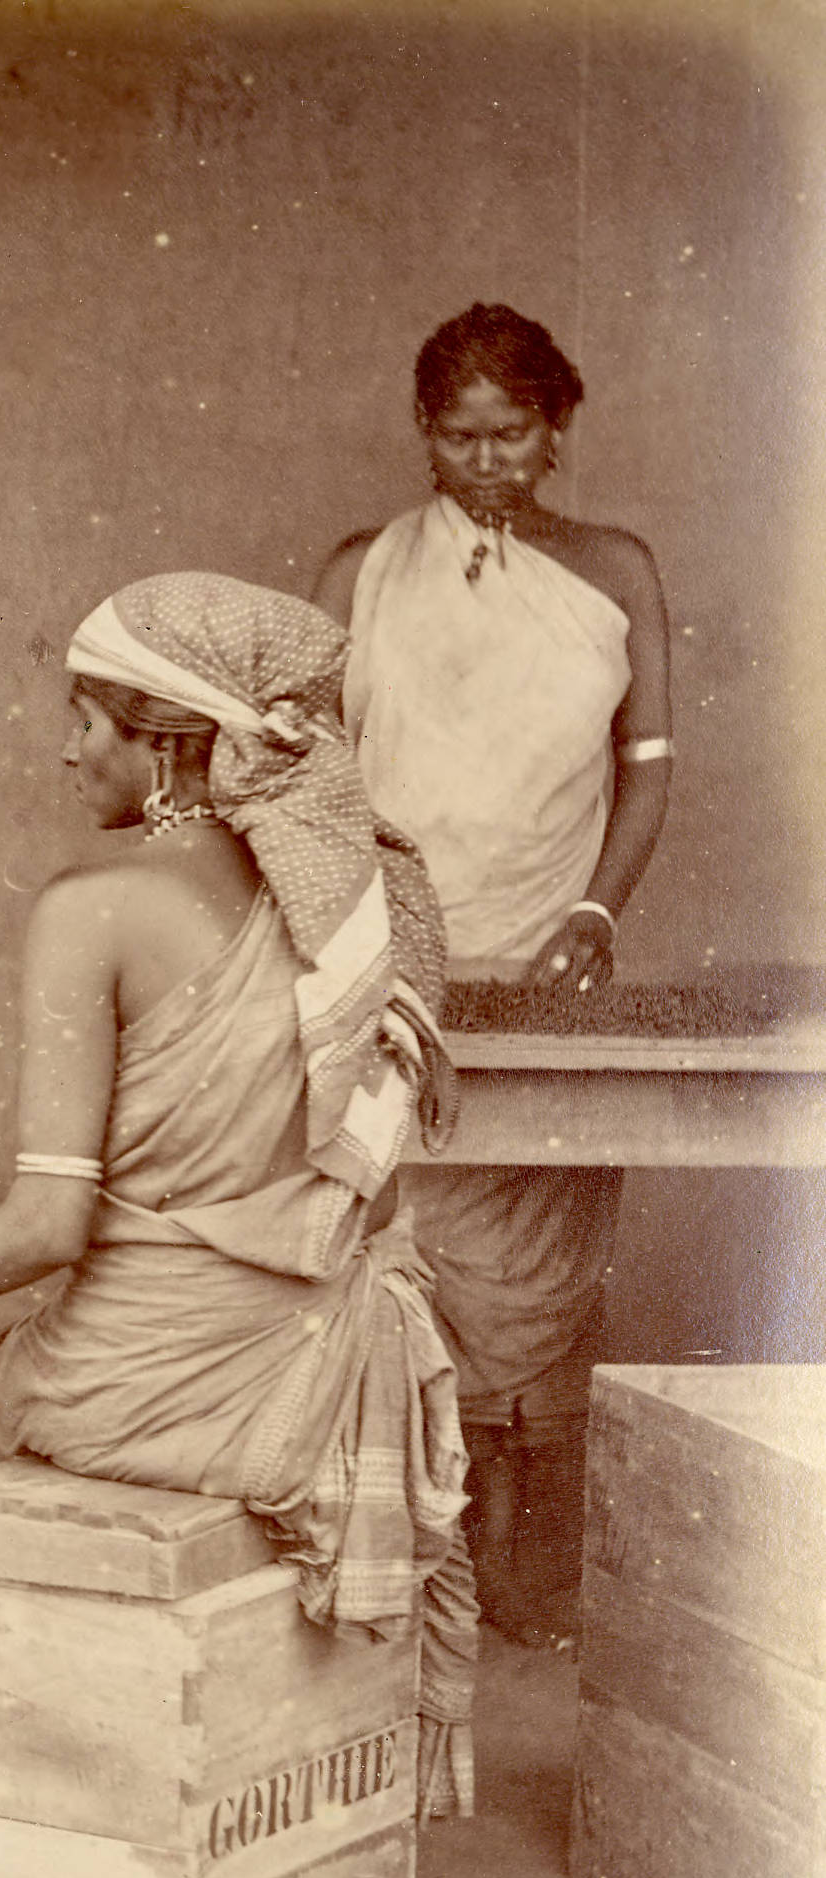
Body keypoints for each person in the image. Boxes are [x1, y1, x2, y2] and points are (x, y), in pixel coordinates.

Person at [0, 574, 482, 1821]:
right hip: (325, 1374)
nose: (65, 746)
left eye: (87, 717)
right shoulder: (354, 904)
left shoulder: (91, 910)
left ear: (169, 742)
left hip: (161, 1395)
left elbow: (48, 1230)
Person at [311, 304, 673, 1646]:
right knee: (396, 1254)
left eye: (510, 433)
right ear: (422, 431)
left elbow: (648, 773)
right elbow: (304, 777)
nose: (484, 461)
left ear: (557, 427)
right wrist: (361, 941)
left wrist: (591, 906)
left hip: (545, 962)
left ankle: (523, 1576)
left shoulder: (616, 568)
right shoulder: (359, 571)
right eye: (456, 436)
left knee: (536, 1265)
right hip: (388, 964)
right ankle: (401, 1571)